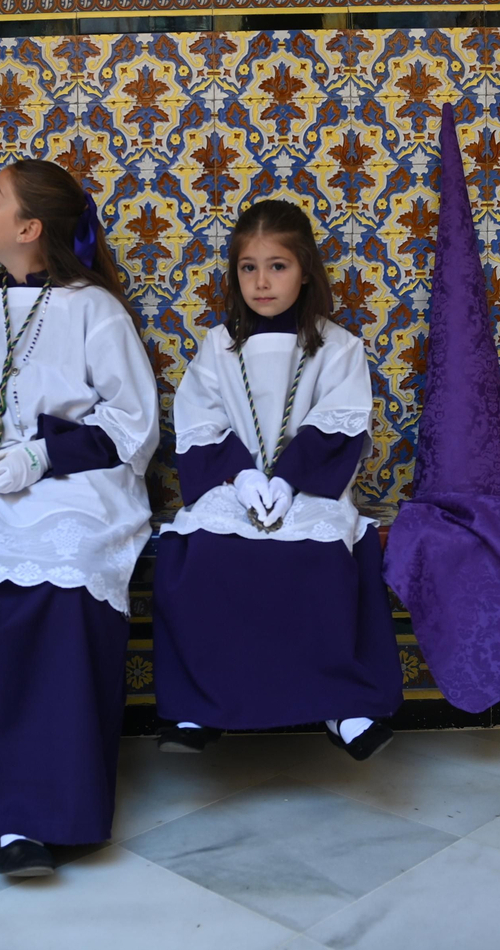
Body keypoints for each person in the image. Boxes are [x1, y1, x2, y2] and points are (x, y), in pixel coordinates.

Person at [0, 159, 158, 878]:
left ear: (28, 229)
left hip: (80, 483)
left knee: (69, 572)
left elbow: (132, 426)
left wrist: (44, 457)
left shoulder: (93, 309)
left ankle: (42, 812)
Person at [151, 199, 403, 759]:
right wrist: (241, 479)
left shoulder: (338, 348)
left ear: (305, 269)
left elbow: (337, 422)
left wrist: (288, 481)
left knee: (316, 557)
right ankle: (201, 707)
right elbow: (201, 421)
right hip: (231, 488)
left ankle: (341, 707)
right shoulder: (219, 348)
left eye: (277, 266)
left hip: (310, 488)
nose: (261, 282)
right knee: (205, 555)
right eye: (248, 267)